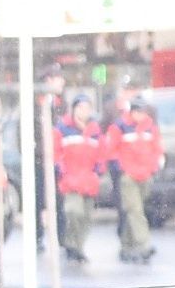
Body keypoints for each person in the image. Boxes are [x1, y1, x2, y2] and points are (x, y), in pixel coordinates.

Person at [53, 94, 106, 268]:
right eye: (80, 107)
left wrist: (99, 169)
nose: (83, 111)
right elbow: (56, 151)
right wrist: (61, 169)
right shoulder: (63, 128)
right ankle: (71, 243)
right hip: (71, 179)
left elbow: (101, 152)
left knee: (86, 217)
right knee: (73, 212)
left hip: (89, 180)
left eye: (86, 108)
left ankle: (78, 247)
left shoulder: (94, 130)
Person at [110, 95, 162, 265]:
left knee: (134, 211)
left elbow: (156, 148)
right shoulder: (120, 127)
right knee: (135, 210)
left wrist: (153, 168)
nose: (140, 115)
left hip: (145, 174)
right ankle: (143, 244)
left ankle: (126, 245)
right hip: (129, 176)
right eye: (137, 111)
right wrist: (122, 169)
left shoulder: (150, 128)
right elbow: (112, 149)